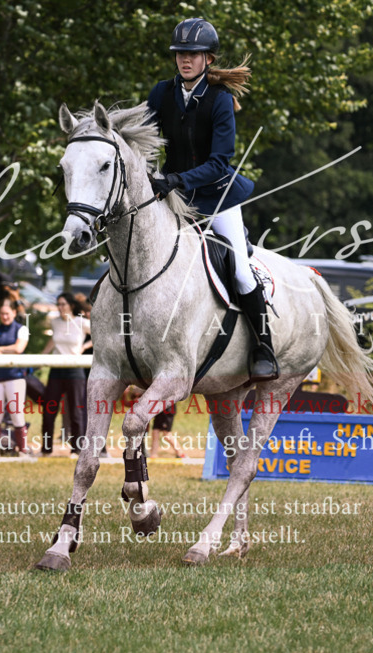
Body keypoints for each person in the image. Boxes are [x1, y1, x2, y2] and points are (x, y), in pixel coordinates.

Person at [146, 17, 277, 382]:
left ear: (208, 58)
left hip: (216, 197)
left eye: (192, 54)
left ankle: (263, 347)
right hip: (172, 195)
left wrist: (174, 179)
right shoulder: (161, 93)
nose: (184, 60)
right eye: (180, 54)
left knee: (238, 269)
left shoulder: (220, 100)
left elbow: (220, 164)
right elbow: (139, 134)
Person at [40, 292, 91, 455]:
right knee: (49, 410)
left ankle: (77, 449)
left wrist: (84, 347)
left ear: (71, 305)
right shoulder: (55, 322)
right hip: (56, 369)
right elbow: (54, 341)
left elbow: (100, 335)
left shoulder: (81, 322)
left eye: (63, 304)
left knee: (76, 410)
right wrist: (41, 357)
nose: (60, 307)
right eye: (58, 304)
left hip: (74, 370)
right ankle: (45, 449)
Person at [0, 299, 31, 454]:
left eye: (7, 313)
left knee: (17, 414)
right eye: (2, 314)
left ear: (14, 313)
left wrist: (0, 349)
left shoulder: (21, 329)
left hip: (14, 377)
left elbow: (19, 348)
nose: (4, 317)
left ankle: (23, 450)